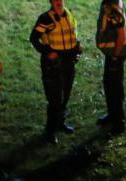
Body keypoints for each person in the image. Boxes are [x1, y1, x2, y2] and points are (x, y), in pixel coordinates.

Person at [30, 0, 81, 141]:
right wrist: (47, 52)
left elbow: (73, 33)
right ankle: (50, 131)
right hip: (53, 65)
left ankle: (60, 123)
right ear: (51, 2)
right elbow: (34, 38)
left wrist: (77, 47)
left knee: (65, 96)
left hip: (69, 62)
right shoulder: (45, 18)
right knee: (55, 99)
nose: (59, 2)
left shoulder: (69, 14)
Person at [95, 0, 126, 133]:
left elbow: (121, 35)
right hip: (112, 54)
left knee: (115, 87)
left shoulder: (114, 8)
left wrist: (115, 56)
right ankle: (112, 115)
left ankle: (119, 122)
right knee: (109, 84)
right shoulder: (108, 3)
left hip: (116, 55)